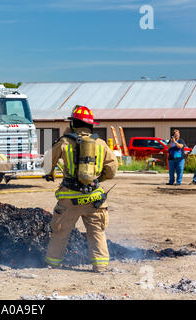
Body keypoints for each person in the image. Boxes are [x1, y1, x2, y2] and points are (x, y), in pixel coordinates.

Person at [42, 105, 118, 273]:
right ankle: (101, 266)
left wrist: (49, 174)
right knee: (97, 232)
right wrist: (98, 178)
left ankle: (53, 264)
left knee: (60, 232)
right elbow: (112, 169)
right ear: (91, 125)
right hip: (94, 199)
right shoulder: (100, 143)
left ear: (73, 123)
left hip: (69, 199)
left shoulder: (64, 142)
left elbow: (46, 164)